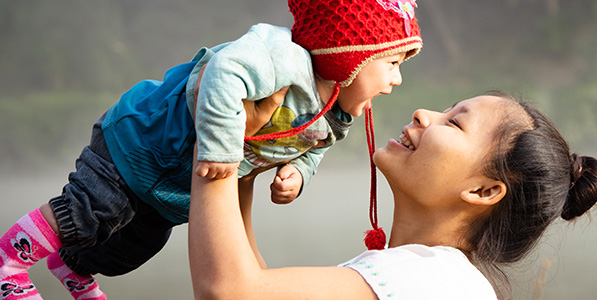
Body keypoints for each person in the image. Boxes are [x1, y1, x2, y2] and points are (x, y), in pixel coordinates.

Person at [0, 1, 422, 299]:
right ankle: (10, 263)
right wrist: (222, 148)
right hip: (142, 144)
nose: (397, 80)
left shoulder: (333, 114)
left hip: (176, 190)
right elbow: (223, 71)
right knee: (94, 209)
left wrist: (299, 173)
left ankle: (72, 265)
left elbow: (312, 147)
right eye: (393, 64)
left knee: (131, 248)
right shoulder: (278, 57)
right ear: (347, 55)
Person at [188, 91, 597, 299]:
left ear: (483, 191)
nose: (424, 114)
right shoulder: (427, 275)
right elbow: (254, 284)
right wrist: (244, 156)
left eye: (454, 123)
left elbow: (231, 291)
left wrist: (218, 130)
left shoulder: (435, 283)